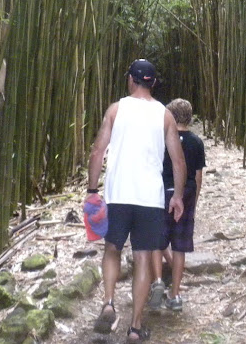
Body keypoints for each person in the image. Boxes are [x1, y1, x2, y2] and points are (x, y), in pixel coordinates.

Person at [87, 59, 187, 343]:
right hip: (150, 198)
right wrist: (177, 197)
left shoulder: (116, 109)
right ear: (153, 83)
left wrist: (92, 189)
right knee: (143, 257)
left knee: (112, 249)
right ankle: (135, 326)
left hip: (118, 193)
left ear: (131, 79)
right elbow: (178, 161)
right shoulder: (165, 115)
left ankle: (108, 302)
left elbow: (97, 152)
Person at [148, 98, 206, 313]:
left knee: (156, 239)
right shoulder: (196, 142)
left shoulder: (162, 139)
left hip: (162, 192)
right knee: (180, 245)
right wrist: (195, 199)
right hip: (186, 193)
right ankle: (176, 294)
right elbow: (198, 175)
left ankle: (158, 281)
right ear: (190, 118)